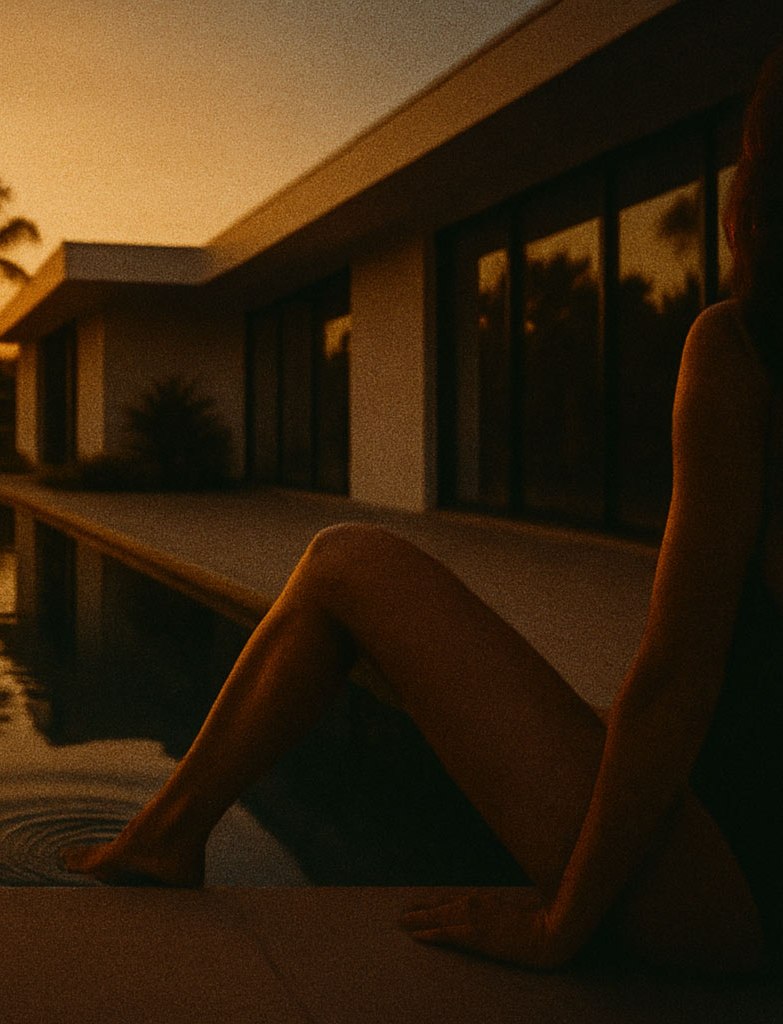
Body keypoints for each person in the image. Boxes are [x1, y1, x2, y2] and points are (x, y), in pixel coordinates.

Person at [64, 49, 783, 976]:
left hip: (732, 889)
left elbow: (677, 681)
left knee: (345, 561)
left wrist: (560, 924)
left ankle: (164, 839)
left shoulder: (743, 351)